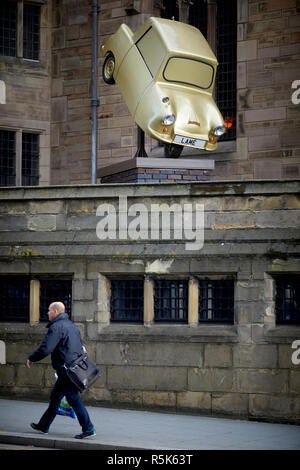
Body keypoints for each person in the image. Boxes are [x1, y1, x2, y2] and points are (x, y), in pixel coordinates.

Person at [26, 301, 96, 439]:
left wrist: (32, 358)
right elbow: (79, 346)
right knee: (55, 397)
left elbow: (46, 347)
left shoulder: (57, 327)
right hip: (72, 368)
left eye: (49, 310)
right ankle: (43, 425)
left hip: (66, 370)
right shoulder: (71, 326)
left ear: (55, 312)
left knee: (73, 398)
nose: (47, 313)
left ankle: (89, 428)